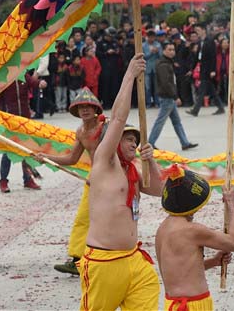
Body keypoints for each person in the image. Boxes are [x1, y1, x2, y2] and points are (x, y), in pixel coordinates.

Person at [77, 54, 163, 311]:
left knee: (149, 291)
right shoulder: (104, 161)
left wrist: (151, 161)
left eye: (135, 140)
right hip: (104, 261)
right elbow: (117, 119)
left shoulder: (133, 171)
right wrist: (129, 75)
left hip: (133, 259)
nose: (133, 143)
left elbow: (159, 191)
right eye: (127, 139)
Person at [36, 88, 106, 276]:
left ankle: (105, 259)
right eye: (81, 107)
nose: (85, 110)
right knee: (83, 219)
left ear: (95, 109)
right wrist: (46, 157)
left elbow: (113, 154)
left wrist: (100, 173)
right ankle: (77, 260)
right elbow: (72, 159)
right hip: (93, 179)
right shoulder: (81, 132)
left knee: (110, 218)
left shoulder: (104, 127)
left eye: (88, 107)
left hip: (109, 178)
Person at [155, 166, 234, 310]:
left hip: (172, 303)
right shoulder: (192, 230)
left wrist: (213, 262)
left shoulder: (161, 230)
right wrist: (231, 204)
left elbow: (179, 271)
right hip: (192, 304)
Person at [0, 75, 42, 193]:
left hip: (25, 120)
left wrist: (40, 83)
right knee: (8, 152)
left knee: (26, 150)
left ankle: (28, 179)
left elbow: (33, 82)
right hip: (10, 121)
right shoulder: (4, 78)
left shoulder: (23, 75)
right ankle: (3, 181)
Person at [148, 42, 199, 151]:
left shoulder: (167, 63)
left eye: (173, 50)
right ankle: (150, 143)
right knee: (160, 121)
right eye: (169, 49)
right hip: (167, 97)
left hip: (168, 97)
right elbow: (166, 83)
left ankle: (184, 143)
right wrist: (175, 97)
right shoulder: (163, 64)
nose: (172, 52)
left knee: (176, 122)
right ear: (164, 51)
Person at [187, 24, 225, 116]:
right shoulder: (200, 42)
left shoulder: (210, 41)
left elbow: (213, 57)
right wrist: (192, 69)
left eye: (198, 30)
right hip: (202, 68)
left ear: (204, 30)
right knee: (211, 90)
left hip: (208, 69)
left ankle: (195, 110)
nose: (197, 32)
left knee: (202, 90)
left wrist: (213, 70)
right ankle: (220, 107)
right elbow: (197, 57)